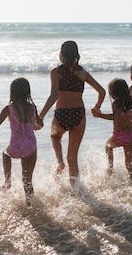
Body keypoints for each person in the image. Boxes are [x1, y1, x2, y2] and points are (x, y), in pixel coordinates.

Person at [39, 41, 106, 186]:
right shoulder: (83, 73)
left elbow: (54, 96)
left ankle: (60, 163)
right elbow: (102, 91)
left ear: (61, 54)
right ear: (76, 55)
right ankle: (75, 190)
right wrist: (97, 107)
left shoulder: (56, 72)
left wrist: (41, 116)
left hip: (61, 114)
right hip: (78, 115)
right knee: (73, 157)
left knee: (55, 136)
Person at [0, 78, 43, 206]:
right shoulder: (32, 107)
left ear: (12, 92)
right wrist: (37, 124)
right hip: (31, 147)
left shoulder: (9, 108)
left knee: (5, 153)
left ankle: (7, 182)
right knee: (27, 180)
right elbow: (38, 124)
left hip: (16, 147)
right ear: (27, 92)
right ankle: (30, 206)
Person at [92, 78, 132, 182]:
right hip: (130, 135)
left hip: (119, 135)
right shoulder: (131, 104)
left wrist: (99, 115)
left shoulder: (116, 104)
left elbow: (114, 116)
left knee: (108, 146)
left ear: (113, 93)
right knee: (130, 163)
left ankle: (110, 167)